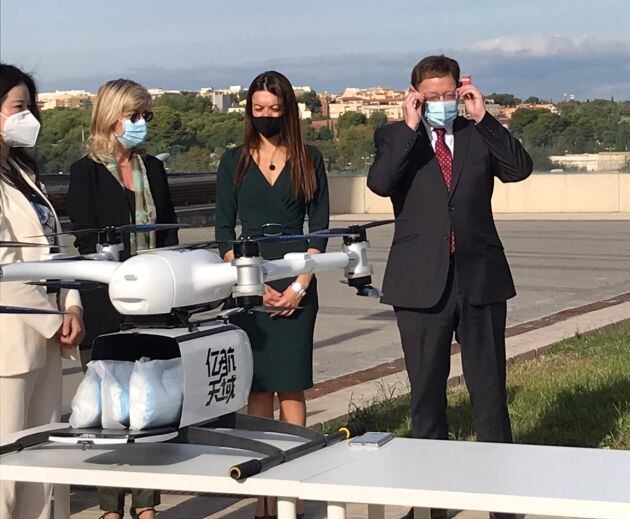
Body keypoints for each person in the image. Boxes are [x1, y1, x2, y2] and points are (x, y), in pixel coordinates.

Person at [367, 55, 532, 519]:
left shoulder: (477, 131)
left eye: (447, 95)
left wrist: (484, 116)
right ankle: (433, 501)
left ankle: (502, 500)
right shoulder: (395, 136)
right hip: (420, 283)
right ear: (415, 94)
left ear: (460, 91)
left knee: (489, 394)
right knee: (426, 398)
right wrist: (410, 126)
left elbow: (519, 168)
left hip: (479, 278)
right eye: (431, 96)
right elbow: (380, 183)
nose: (440, 103)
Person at [215, 70, 329, 519]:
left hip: (299, 271)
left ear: (288, 111)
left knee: (292, 386)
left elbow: (319, 226)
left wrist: (301, 283)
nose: (265, 117)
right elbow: (223, 229)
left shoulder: (310, 157)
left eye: (274, 110)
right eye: (257, 109)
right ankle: (263, 499)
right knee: (257, 388)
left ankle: (291, 493)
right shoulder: (233, 160)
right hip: (248, 276)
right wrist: (249, 282)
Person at [67, 78, 178, 519]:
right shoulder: (85, 171)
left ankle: (147, 504)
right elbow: (85, 238)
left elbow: (167, 230)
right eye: (134, 117)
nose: (141, 125)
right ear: (111, 118)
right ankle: (111, 505)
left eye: (145, 116)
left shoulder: (154, 168)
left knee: (151, 404)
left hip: (154, 301)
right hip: (106, 303)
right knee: (110, 406)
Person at [0, 63, 85, 519]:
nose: (26, 117)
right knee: (6, 478)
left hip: (47, 343)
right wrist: (55, 320)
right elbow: (5, 265)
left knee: (42, 471)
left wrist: (73, 304)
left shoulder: (21, 171)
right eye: (17, 108)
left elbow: (54, 248)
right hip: (10, 347)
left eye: (30, 108)